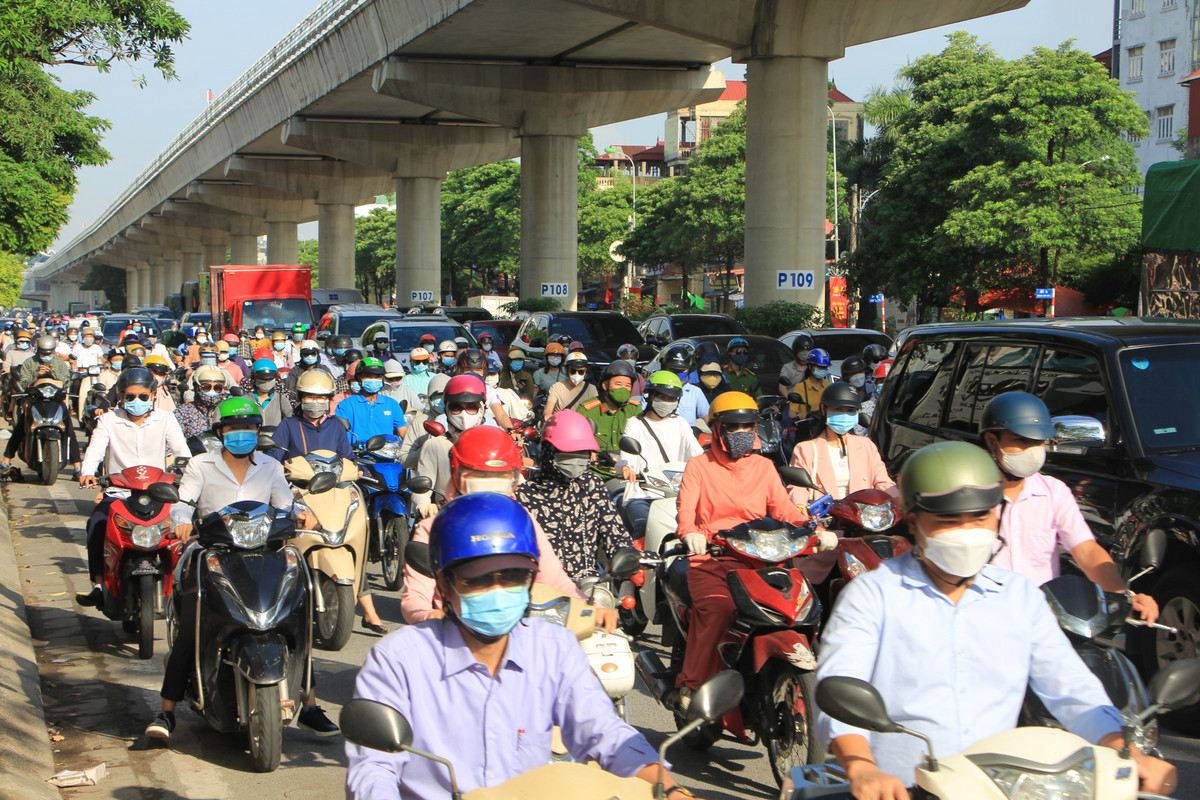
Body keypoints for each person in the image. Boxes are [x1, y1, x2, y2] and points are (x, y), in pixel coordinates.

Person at [815, 441, 1176, 799]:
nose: (968, 531)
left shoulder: (1019, 597)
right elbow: (840, 688)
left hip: (1001, 787)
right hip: (902, 789)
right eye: (948, 520)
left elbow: (1070, 686)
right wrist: (862, 766)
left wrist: (1121, 748)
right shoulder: (872, 596)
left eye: (980, 516)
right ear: (913, 521)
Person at [346, 492, 694, 800]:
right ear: (445, 585)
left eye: (513, 576)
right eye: (478, 579)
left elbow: (603, 731)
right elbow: (373, 769)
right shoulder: (399, 658)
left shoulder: (553, 648)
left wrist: (670, 788)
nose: (498, 590)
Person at [144, 397, 337, 741]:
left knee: (297, 621)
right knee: (192, 629)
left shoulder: (271, 466)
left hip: (264, 554)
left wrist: (301, 513)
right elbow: (184, 503)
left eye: (248, 428)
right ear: (220, 432)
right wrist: (182, 522)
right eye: (234, 429)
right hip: (212, 554)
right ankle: (167, 710)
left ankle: (308, 704)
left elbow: (285, 503)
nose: (241, 435)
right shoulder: (200, 465)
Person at [673, 391, 824, 698]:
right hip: (712, 560)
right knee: (719, 609)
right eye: (732, 427)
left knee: (799, 608)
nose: (742, 433)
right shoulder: (698, 466)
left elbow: (784, 511)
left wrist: (814, 530)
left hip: (761, 559)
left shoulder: (764, 467)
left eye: (748, 426)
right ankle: (691, 686)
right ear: (717, 429)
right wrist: (690, 533)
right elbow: (685, 512)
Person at [979, 391, 1158, 621]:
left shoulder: (1053, 493)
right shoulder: (972, 495)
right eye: (1021, 440)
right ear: (993, 442)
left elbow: (1086, 551)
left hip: (1043, 622)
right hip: (986, 621)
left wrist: (1122, 596)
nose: (1032, 450)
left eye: (1038, 442)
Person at [399, 426, 603, 626]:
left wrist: (590, 609)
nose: (490, 487)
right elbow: (415, 597)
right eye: (479, 477)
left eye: (501, 478)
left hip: (519, 632)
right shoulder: (433, 528)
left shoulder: (525, 522)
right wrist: (426, 615)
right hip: (453, 632)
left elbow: (555, 580)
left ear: (514, 479)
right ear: (457, 474)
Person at [270, 370, 389, 634]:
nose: (316, 401)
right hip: (300, 493)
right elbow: (274, 455)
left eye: (322, 396)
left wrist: (358, 470)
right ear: (300, 398)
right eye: (310, 396)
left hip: (335, 492)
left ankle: (368, 610)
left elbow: (347, 458)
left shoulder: (336, 425)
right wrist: (277, 468)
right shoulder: (288, 426)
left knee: (354, 535)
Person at [76, 367, 189, 607]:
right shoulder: (108, 420)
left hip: (157, 492)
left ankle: (182, 582)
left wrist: (186, 471)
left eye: (143, 396)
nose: (136, 401)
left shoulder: (166, 419)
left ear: (153, 395)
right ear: (121, 397)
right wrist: (87, 472)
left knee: (183, 525)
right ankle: (98, 583)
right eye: (130, 397)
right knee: (96, 523)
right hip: (120, 492)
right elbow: (96, 450)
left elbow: (182, 452)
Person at [516, 410, 632, 581]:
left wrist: (625, 554)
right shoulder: (526, 495)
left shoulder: (592, 485)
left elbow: (613, 530)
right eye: (568, 452)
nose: (576, 459)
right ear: (549, 451)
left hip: (588, 587)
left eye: (583, 453)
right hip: (542, 592)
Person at [615, 372, 703, 541]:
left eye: (671, 399)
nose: (667, 402)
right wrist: (626, 468)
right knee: (644, 525)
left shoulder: (681, 423)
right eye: (662, 397)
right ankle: (640, 565)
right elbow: (626, 458)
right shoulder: (635, 423)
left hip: (677, 494)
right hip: (642, 494)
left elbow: (697, 454)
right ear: (651, 396)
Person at [412, 374, 491, 512]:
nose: (464, 414)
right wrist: (424, 506)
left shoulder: (493, 444)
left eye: (471, 407)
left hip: (491, 516)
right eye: (456, 408)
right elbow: (422, 486)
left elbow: (514, 481)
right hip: (448, 518)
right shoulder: (435, 445)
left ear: (482, 409)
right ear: (447, 410)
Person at [578, 361, 642, 481]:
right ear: (605, 385)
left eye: (627, 386)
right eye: (618, 384)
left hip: (628, 476)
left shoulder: (635, 410)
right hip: (595, 475)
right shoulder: (587, 410)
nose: (623, 389)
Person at [335, 357, 407, 447]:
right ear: (359, 378)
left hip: (387, 454)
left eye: (377, 376)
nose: (373, 379)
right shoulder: (345, 405)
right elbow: (338, 432)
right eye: (369, 376)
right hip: (357, 455)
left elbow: (403, 430)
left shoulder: (392, 404)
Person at [658, 345, 710, 425]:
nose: (677, 373)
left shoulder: (695, 392)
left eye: (681, 370)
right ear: (665, 368)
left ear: (689, 370)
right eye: (673, 369)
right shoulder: (654, 390)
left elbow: (709, 418)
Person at [174, 365, 228, 439]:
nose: (212, 391)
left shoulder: (229, 411)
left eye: (217, 388)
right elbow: (172, 441)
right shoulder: (184, 412)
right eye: (206, 387)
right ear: (196, 387)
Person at [241, 359, 294, 427]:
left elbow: (290, 419)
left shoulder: (280, 398)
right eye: (262, 380)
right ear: (254, 379)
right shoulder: (245, 399)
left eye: (270, 380)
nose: (266, 383)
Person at [543, 352, 596, 418]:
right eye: (573, 371)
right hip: (561, 425)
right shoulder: (557, 387)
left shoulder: (591, 389)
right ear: (567, 369)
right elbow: (548, 411)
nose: (577, 374)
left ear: (585, 371)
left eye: (581, 372)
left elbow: (595, 412)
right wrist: (548, 418)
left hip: (582, 426)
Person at [787, 347, 832, 420]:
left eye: (825, 367)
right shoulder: (800, 388)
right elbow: (792, 413)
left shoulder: (829, 387)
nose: (823, 370)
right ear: (810, 366)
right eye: (820, 367)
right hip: (808, 427)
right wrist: (799, 416)